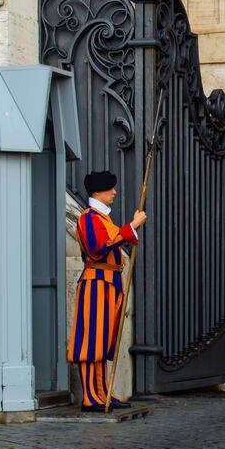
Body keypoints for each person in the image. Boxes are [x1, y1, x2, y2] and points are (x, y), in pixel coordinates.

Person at [68, 170, 147, 412]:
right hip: (96, 283)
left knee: (103, 340)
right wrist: (130, 227)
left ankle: (102, 392)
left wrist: (128, 234)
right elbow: (97, 248)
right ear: (98, 192)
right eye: (110, 188)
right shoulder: (88, 218)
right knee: (91, 340)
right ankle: (91, 396)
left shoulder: (103, 219)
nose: (114, 192)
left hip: (109, 283)